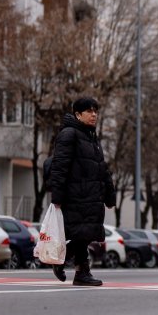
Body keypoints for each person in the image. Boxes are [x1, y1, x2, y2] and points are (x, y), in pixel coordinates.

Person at [46, 96, 116, 285]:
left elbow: (102, 167)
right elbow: (60, 167)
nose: (94, 115)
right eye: (89, 111)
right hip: (76, 196)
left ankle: (80, 273)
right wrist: (57, 196)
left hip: (91, 195)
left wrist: (110, 195)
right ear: (78, 114)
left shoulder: (91, 137)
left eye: (95, 111)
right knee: (82, 234)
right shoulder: (69, 134)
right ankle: (69, 265)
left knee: (85, 236)